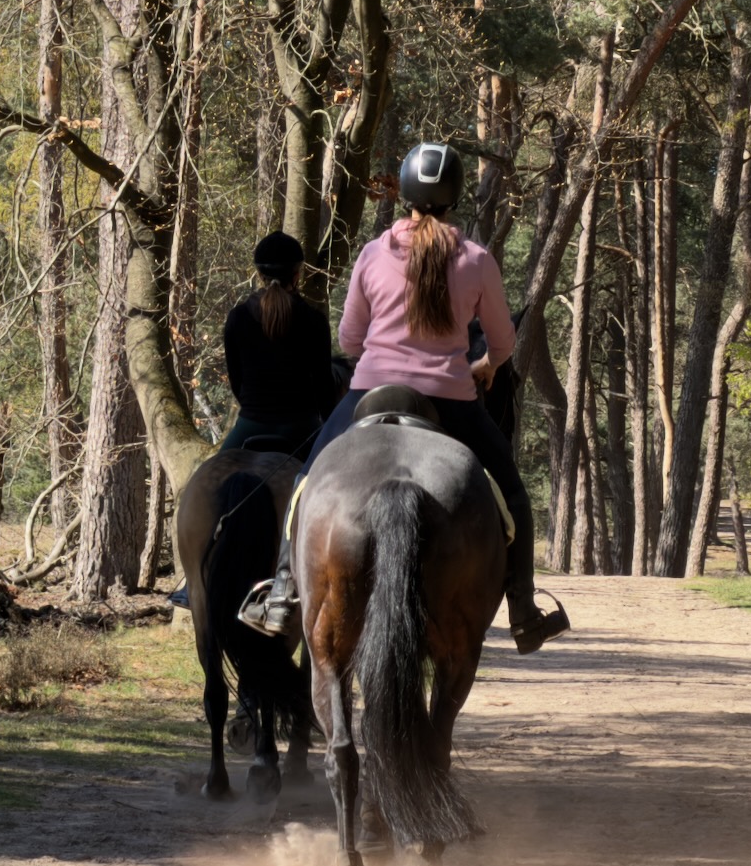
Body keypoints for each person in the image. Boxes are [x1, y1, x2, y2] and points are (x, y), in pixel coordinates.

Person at [244, 142, 570, 653]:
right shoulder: (478, 260)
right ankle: (525, 611)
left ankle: (283, 593)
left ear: (406, 193)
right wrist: (483, 367)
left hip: (370, 393)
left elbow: (351, 340)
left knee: (309, 479)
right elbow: (503, 343)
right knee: (513, 494)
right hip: (453, 401)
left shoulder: (375, 253)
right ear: (454, 195)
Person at [218, 230, 335, 457]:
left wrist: (256, 410)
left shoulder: (237, 318)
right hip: (302, 428)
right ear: (297, 275)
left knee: (207, 477)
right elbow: (323, 386)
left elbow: (236, 381)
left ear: (258, 273)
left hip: (251, 424)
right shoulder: (315, 320)